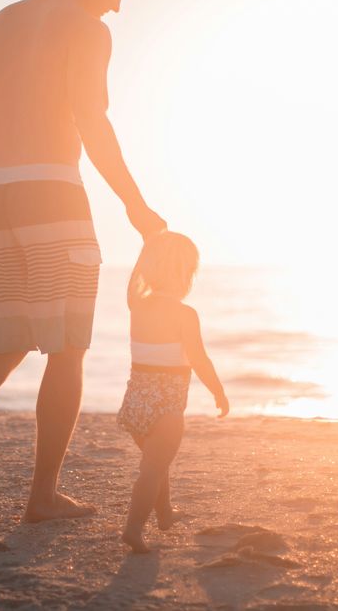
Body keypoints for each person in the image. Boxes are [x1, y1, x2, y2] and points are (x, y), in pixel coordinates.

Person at [0, 0, 167, 522]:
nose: (117, 6)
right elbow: (92, 123)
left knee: (5, 339)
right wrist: (135, 205)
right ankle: (42, 497)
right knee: (67, 347)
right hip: (52, 193)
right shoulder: (86, 28)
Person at [118, 232, 228, 553]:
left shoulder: (137, 305)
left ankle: (164, 513)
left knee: (157, 461)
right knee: (152, 469)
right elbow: (199, 359)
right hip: (166, 406)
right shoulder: (185, 314)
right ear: (186, 274)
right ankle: (133, 529)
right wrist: (218, 392)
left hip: (135, 404)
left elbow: (133, 282)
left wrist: (147, 244)